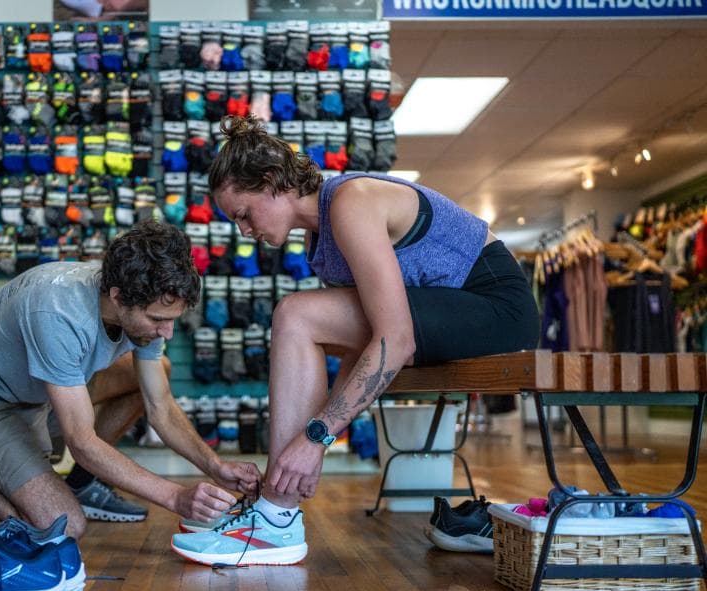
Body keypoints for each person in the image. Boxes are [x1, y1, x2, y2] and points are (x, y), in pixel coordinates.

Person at [170, 116, 539, 566]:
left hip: (496, 305)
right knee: (299, 316)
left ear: (271, 182)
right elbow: (362, 343)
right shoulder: (320, 240)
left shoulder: (350, 202)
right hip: (452, 306)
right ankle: (276, 512)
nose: (244, 230)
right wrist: (314, 444)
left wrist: (316, 438)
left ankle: (274, 518)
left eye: (243, 214)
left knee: (296, 314)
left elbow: (395, 339)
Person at [0, 222, 262, 539]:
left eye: (172, 320)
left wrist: (214, 465)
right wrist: (175, 497)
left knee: (157, 369)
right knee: (61, 527)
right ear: (118, 298)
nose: (167, 332)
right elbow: (81, 441)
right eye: (157, 320)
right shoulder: (59, 313)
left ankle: (82, 482)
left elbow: (160, 406)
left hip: (43, 389)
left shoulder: (143, 303)